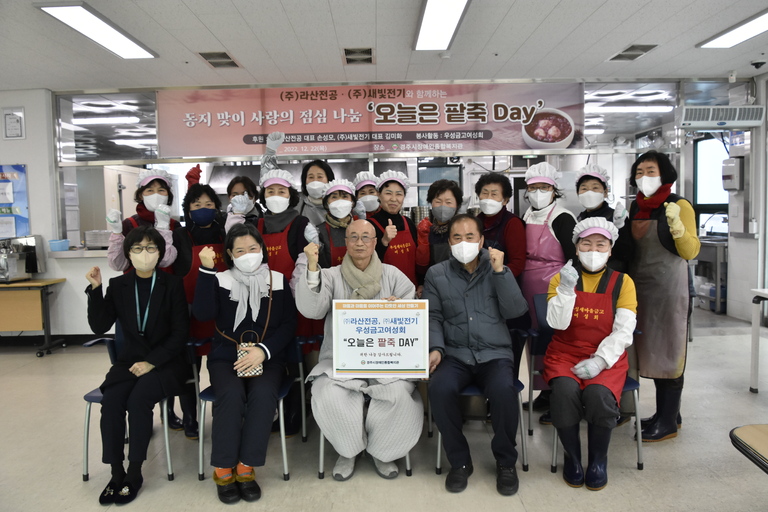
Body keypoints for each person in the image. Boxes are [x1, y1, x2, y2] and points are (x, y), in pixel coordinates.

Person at [296, 220, 421, 481]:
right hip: (341, 360)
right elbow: (312, 310)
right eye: (354, 237)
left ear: (376, 242)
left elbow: (412, 312)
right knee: (326, 392)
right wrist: (311, 268)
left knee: (398, 393)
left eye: (366, 237)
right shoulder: (330, 275)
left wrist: (399, 306)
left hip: (388, 360)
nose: (360, 242)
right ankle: (348, 450)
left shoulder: (393, 274)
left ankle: (382, 451)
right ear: (346, 242)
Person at [424, 214, 529, 496]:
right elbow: (432, 316)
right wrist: (436, 348)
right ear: (448, 242)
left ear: (482, 240)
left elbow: (516, 311)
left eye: (470, 236)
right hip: (455, 353)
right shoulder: (436, 274)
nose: (463, 242)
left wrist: (500, 272)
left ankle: (506, 462)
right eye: (456, 237)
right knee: (439, 388)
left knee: (504, 390)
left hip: (494, 352)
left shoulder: (496, 267)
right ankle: (459, 462)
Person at [192, 223, 297, 504]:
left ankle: (246, 467)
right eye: (240, 250)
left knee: (263, 394)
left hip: (268, 356)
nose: (248, 254)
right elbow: (202, 314)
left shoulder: (278, 280)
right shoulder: (221, 280)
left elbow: (288, 325)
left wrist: (263, 351)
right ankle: (224, 468)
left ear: (262, 249)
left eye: (253, 248)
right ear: (230, 254)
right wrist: (205, 271)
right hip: (226, 356)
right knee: (230, 394)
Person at [85, 226, 189, 505]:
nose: (145, 254)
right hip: (128, 362)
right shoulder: (118, 285)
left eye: (151, 248)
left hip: (166, 362)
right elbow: (99, 325)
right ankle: (115, 472)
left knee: (139, 399)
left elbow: (181, 334)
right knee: (113, 401)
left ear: (161, 252)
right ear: (128, 254)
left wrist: (152, 362)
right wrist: (95, 290)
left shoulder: (173, 284)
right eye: (138, 248)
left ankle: (134, 472)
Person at [543, 218, 637, 491]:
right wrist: (565, 292)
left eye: (601, 244)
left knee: (598, 395)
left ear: (610, 249)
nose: (593, 250)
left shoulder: (624, 282)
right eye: (587, 244)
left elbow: (624, 330)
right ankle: (572, 459)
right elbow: (557, 324)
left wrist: (600, 360)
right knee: (563, 392)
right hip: (564, 354)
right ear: (576, 248)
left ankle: (598, 460)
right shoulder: (561, 278)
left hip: (606, 357)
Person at [614, 150, 700, 442]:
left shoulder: (679, 205)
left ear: (664, 174)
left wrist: (677, 227)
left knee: (669, 352)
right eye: (639, 172)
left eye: (650, 171)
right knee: (648, 351)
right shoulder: (635, 209)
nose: (644, 177)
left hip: (669, 289)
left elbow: (690, 251)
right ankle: (666, 413)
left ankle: (668, 422)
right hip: (640, 289)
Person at [520, 162, 577, 421]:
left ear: (554, 190)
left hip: (553, 285)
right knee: (537, 341)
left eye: (544, 187)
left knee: (556, 339)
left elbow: (573, 256)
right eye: (533, 187)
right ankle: (544, 392)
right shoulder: (528, 215)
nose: (538, 192)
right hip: (528, 285)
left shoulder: (563, 217)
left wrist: (565, 286)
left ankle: (560, 398)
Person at [172, 183, 228, 439]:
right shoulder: (180, 236)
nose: (203, 209)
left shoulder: (226, 233)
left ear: (217, 208)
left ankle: (221, 413)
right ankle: (190, 417)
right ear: (188, 209)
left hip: (221, 312)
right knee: (188, 370)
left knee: (220, 367)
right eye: (197, 205)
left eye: (208, 204)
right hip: (189, 312)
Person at [106, 169, 179, 273]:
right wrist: (117, 232)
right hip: (134, 284)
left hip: (168, 286)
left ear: (168, 195)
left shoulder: (175, 225)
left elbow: (165, 261)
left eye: (161, 190)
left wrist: (163, 227)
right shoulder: (129, 224)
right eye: (150, 190)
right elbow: (118, 266)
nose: (156, 195)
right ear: (141, 195)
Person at [368, 170, 419, 288]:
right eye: (388, 193)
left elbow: (416, 261)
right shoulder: (370, 225)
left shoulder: (409, 223)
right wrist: (384, 241)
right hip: (382, 291)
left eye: (399, 194)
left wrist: (421, 283)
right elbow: (365, 263)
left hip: (410, 289)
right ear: (379, 195)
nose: (394, 199)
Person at [415, 179, 462, 280]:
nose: (443, 206)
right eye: (438, 201)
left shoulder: (462, 231)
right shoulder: (427, 231)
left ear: (457, 205)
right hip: (432, 283)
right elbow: (421, 268)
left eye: (448, 202)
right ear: (431, 203)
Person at [316, 179, 361, 268]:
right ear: (326, 203)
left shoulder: (361, 226)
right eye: (334, 197)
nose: (340, 201)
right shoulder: (319, 231)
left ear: (352, 202)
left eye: (345, 197)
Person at [297, 159, 335, 226]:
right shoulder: (297, 207)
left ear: (329, 180)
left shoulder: (337, 205)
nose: (315, 181)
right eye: (311, 177)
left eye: (320, 177)